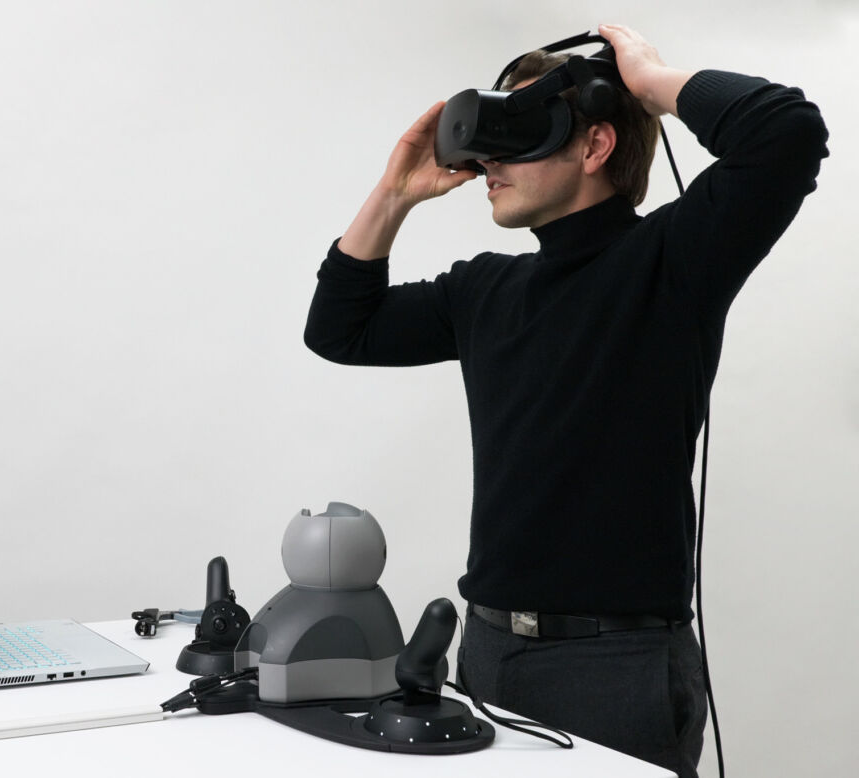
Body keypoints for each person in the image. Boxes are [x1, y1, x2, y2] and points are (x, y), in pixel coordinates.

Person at [302, 23, 827, 778]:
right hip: (484, 652)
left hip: (617, 667)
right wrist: (394, 193)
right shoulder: (485, 290)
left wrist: (648, 81)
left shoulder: (672, 263)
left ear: (595, 146)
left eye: (518, 131)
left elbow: (786, 131)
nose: (489, 159)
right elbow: (339, 329)